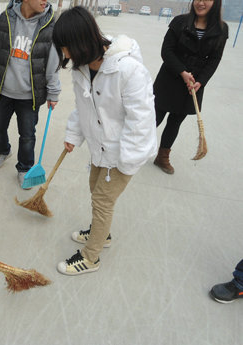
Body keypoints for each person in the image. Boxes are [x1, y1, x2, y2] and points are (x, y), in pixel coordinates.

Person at [52, 7, 157, 275]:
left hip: (122, 153)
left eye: (66, 48)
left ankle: (90, 257)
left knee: (102, 200)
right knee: (93, 188)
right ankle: (103, 234)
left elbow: (142, 121)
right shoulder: (82, 68)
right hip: (99, 147)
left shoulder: (129, 71)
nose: (65, 55)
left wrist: (127, 162)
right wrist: (73, 136)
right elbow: (82, 107)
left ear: (80, 42)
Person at [0, 0, 61, 189]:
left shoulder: (50, 26)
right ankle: (3, 151)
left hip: (29, 95)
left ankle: (24, 168)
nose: (46, 1)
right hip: (3, 90)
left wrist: (53, 92)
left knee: (27, 135)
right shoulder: (6, 18)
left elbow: (53, 62)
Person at [153, 0, 228, 174]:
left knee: (175, 121)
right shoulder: (180, 22)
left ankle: (162, 156)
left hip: (193, 85)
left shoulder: (221, 30)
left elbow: (214, 60)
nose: (200, 3)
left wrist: (200, 81)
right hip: (169, 79)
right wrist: (182, 72)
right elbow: (167, 51)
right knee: (153, 118)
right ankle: (132, 149)